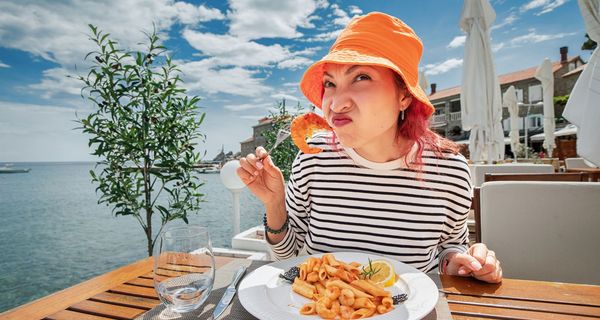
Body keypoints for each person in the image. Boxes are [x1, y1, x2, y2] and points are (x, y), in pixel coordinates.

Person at [237, 12, 502, 283]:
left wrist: (460, 261)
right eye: (330, 83)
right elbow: (289, 260)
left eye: (361, 77)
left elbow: (450, 247)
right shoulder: (313, 156)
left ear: (404, 96)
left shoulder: (449, 170)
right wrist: (274, 204)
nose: (336, 103)